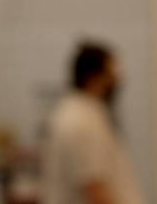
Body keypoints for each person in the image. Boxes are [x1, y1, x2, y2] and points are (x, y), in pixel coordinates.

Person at [41, 42, 145, 204]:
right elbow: (94, 186)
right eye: (112, 74)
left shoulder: (86, 113)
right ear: (93, 77)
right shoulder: (79, 120)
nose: (118, 80)